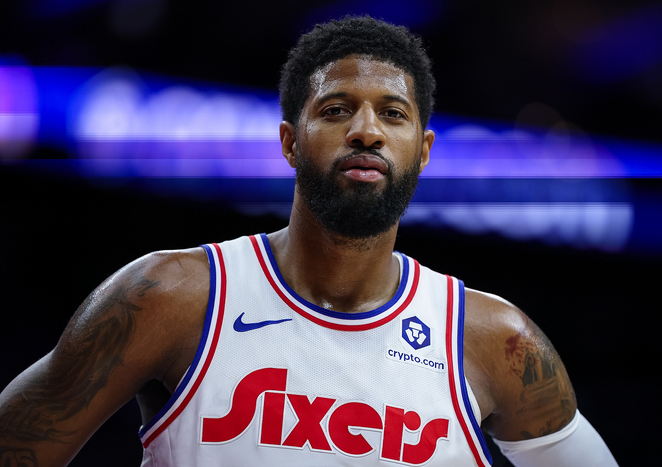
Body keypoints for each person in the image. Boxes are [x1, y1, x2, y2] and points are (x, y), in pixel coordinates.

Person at [0, 15, 617, 467]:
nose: (367, 131)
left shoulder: (496, 342)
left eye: (393, 114)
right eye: (336, 109)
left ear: (424, 151)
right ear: (290, 142)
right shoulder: (169, 296)